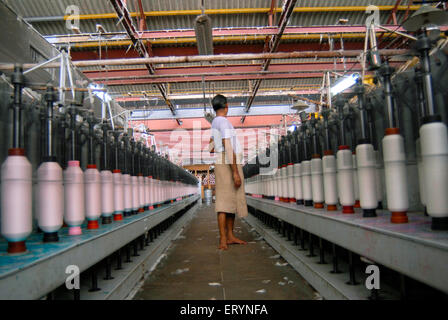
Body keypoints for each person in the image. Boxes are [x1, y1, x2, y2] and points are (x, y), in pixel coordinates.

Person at [209, 94, 248, 250]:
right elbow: (228, 145)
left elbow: (212, 147)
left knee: (230, 201)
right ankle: (224, 239)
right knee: (224, 203)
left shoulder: (215, 122)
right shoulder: (223, 122)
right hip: (228, 161)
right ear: (226, 105)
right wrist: (235, 172)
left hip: (223, 160)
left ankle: (230, 236)